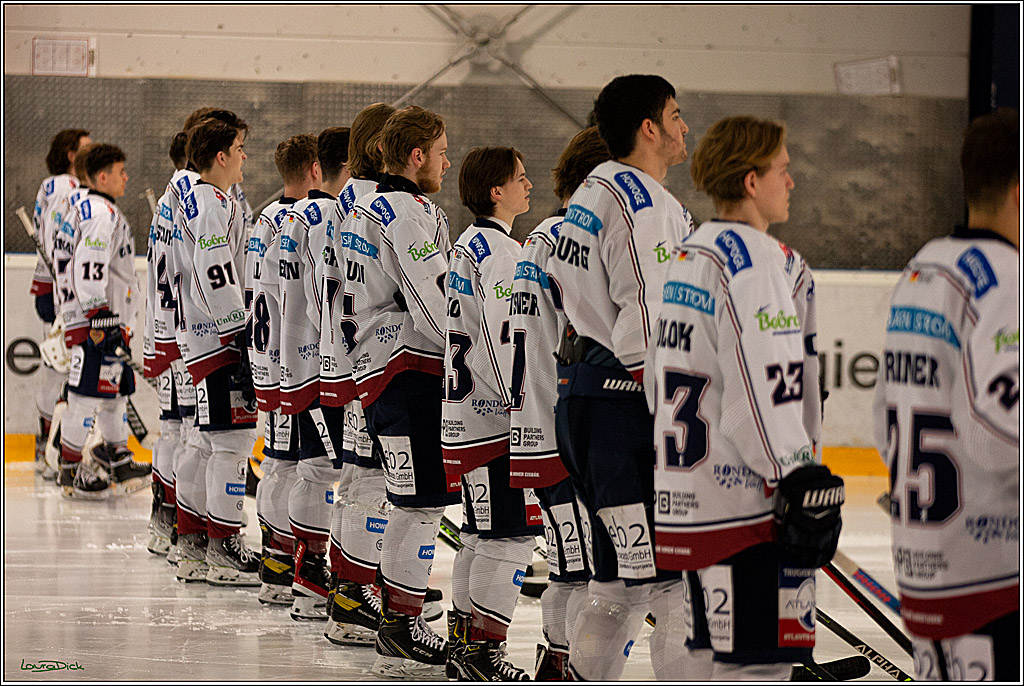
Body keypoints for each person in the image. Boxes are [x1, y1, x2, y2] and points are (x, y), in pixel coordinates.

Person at [647, 115, 844, 680]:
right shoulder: (755, 259)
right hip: (746, 508)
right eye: (783, 170)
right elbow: (762, 389)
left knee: (710, 664)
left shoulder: (692, 252)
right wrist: (797, 475)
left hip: (692, 500)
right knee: (759, 669)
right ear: (752, 181)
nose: (792, 182)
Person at [543, 74, 696, 681]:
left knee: (618, 585)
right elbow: (645, 322)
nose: (686, 127)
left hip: (587, 404)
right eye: (677, 115)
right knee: (673, 587)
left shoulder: (588, 194)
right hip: (626, 412)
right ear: (649, 127)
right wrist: (680, 420)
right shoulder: (643, 202)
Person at [872, 108, 1019, 681]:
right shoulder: (1006, 277)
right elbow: (999, 428)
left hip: (927, 554)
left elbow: (882, 408)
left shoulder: (924, 267)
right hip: (995, 565)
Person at [337, 105, 456, 679]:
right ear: (416, 157)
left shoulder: (360, 204)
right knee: (420, 503)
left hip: (378, 368)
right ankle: (401, 625)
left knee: (408, 499)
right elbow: (435, 306)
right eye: (439, 151)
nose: (445, 161)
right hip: (406, 372)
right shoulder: (405, 211)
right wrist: (473, 354)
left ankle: (395, 616)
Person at [507, 126, 611, 680]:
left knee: (577, 565)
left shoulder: (539, 238)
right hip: (564, 427)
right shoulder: (574, 238)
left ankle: (557, 661)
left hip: (540, 422)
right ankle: (562, 667)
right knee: (581, 569)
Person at [442, 146, 540, 680]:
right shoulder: (502, 254)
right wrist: (523, 412)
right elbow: (505, 344)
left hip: (464, 415)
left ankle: (464, 644)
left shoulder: (465, 246)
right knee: (511, 538)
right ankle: (484, 652)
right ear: (495, 191)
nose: (529, 186)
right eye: (520, 179)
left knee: (481, 536)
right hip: (497, 421)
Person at [317, 104, 395, 647]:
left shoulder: (340, 201)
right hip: (371, 360)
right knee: (370, 483)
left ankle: (348, 587)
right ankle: (354, 592)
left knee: (358, 482)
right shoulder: (379, 207)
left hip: (343, 356)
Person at [174, 116, 259, 586]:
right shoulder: (211, 204)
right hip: (219, 339)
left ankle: (193, 543)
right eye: (240, 147)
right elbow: (215, 270)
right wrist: (238, 329)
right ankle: (223, 546)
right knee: (230, 445)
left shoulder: (198, 199)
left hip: (202, 337)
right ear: (221, 156)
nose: (245, 156)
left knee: (206, 443)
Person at [277, 129, 347, 621]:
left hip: (297, 361)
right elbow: (326, 300)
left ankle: (306, 570)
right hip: (319, 365)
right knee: (323, 472)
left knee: (315, 469)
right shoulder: (323, 216)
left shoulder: (292, 215)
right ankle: (310, 574)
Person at [248, 135, 319, 605]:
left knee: (278, 463)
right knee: (299, 467)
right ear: (316, 169)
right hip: (293, 360)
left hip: (266, 358)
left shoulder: (263, 220)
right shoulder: (301, 222)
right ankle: (291, 566)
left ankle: (276, 562)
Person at [59, 143, 151, 498]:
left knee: (112, 393)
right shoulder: (100, 212)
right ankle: (70, 471)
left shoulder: (83, 206)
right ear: (102, 176)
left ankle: (118, 456)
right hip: (98, 321)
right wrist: (99, 317)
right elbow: (88, 266)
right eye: (120, 170)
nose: (126, 177)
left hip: (97, 317)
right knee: (85, 394)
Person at [30, 128, 91, 475]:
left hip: (55, 288)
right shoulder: (63, 187)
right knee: (60, 367)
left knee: (64, 370)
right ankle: (49, 448)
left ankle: (56, 446)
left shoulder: (57, 186)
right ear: (70, 154)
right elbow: (58, 241)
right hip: (57, 292)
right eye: (86, 148)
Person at [142, 131, 189, 556]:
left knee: (175, 428)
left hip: (166, 330)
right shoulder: (197, 197)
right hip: (189, 335)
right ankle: (180, 526)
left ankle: (166, 520)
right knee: (194, 436)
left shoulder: (168, 200)